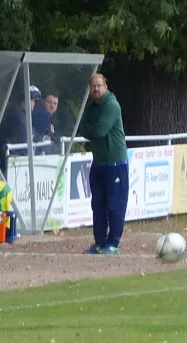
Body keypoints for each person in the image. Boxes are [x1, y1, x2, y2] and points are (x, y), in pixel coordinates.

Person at [78, 74, 129, 255]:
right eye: (93, 86)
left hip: (115, 163)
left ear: (105, 86)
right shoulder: (92, 106)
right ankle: (99, 242)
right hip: (98, 162)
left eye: (99, 85)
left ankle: (113, 242)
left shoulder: (112, 105)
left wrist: (91, 129)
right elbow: (82, 127)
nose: (96, 89)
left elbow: (99, 130)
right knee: (98, 204)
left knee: (115, 205)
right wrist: (91, 128)